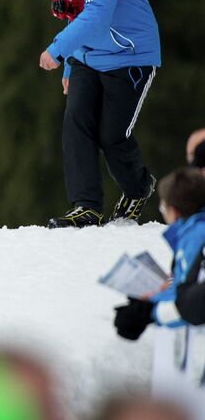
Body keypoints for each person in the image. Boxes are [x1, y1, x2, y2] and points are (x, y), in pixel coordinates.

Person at [25, 0, 161, 228]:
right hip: (89, 57)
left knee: (112, 136)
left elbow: (99, 13)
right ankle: (85, 207)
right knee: (76, 125)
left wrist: (56, 50)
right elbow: (73, 11)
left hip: (129, 56)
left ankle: (137, 188)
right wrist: (71, 63)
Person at [112, 167, 205, 420]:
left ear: (173, 209)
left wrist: (150, 312)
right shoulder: (191, 234)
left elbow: (196, 300)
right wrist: (154, 298)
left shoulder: (197, 235)